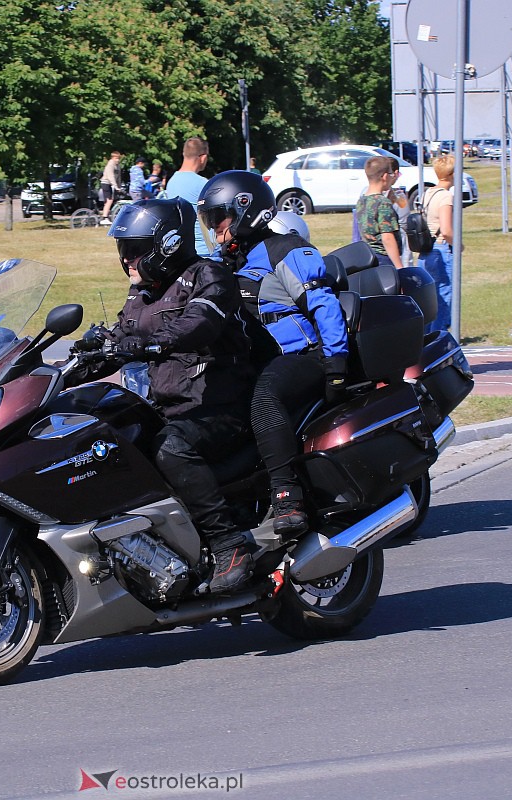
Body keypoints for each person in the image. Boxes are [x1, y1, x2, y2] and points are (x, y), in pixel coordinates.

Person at [67, 198, 257, 593]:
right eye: (123, 250)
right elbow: (118, 342)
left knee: (169, 448)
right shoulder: (142, 295)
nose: (127, 260)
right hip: (172, 408)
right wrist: (53, 374)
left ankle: (229, 544)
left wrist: (150, 344)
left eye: (134, 250)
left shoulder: (209, 275)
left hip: (221, 410)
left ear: (167, 244)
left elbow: (199, 322)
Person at [198, 170, 349, 540]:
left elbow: (323, 306)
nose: (215, 230)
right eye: (210, 222)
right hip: (257, 360)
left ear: (247, 211)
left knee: (264, 397)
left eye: (220, 220)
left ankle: (287, 496)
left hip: (303, 355)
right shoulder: (225, 262)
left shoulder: (285, 249)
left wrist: (336, 366)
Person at [417, 154, 456, 333]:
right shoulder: (446, 197)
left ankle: (427, 334)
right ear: (451, 174)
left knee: (430, 297)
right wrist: (458, 244)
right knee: (444, 295)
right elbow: (446, 230)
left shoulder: (427, 193)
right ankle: (439, 335)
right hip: (440, 248)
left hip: (426, 250)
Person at [354, 156, 405, 269]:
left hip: (368, 256)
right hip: (384, 258)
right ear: (385, 176)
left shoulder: (362, 200)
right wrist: (399, 267)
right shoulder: (383, 203)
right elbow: (387, 238)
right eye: (391, 174)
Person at [164, 137, 212, 256]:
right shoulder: (202, 184)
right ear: (203, 158)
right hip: (205, 253)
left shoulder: (172, 182)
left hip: (182, 250)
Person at [98, 151, 122, 225]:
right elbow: (110, 176)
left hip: (110, 184)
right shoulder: (110, 164)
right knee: (109, 200)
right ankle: (105, 218)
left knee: (108, 201)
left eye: (118, 158)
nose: (117, 160)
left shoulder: (117, 166)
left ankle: (105, 216)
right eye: (116, 158)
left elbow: (118, 178)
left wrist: (119, 187)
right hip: (106, 183)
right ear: (112, 158)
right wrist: (115, 186)